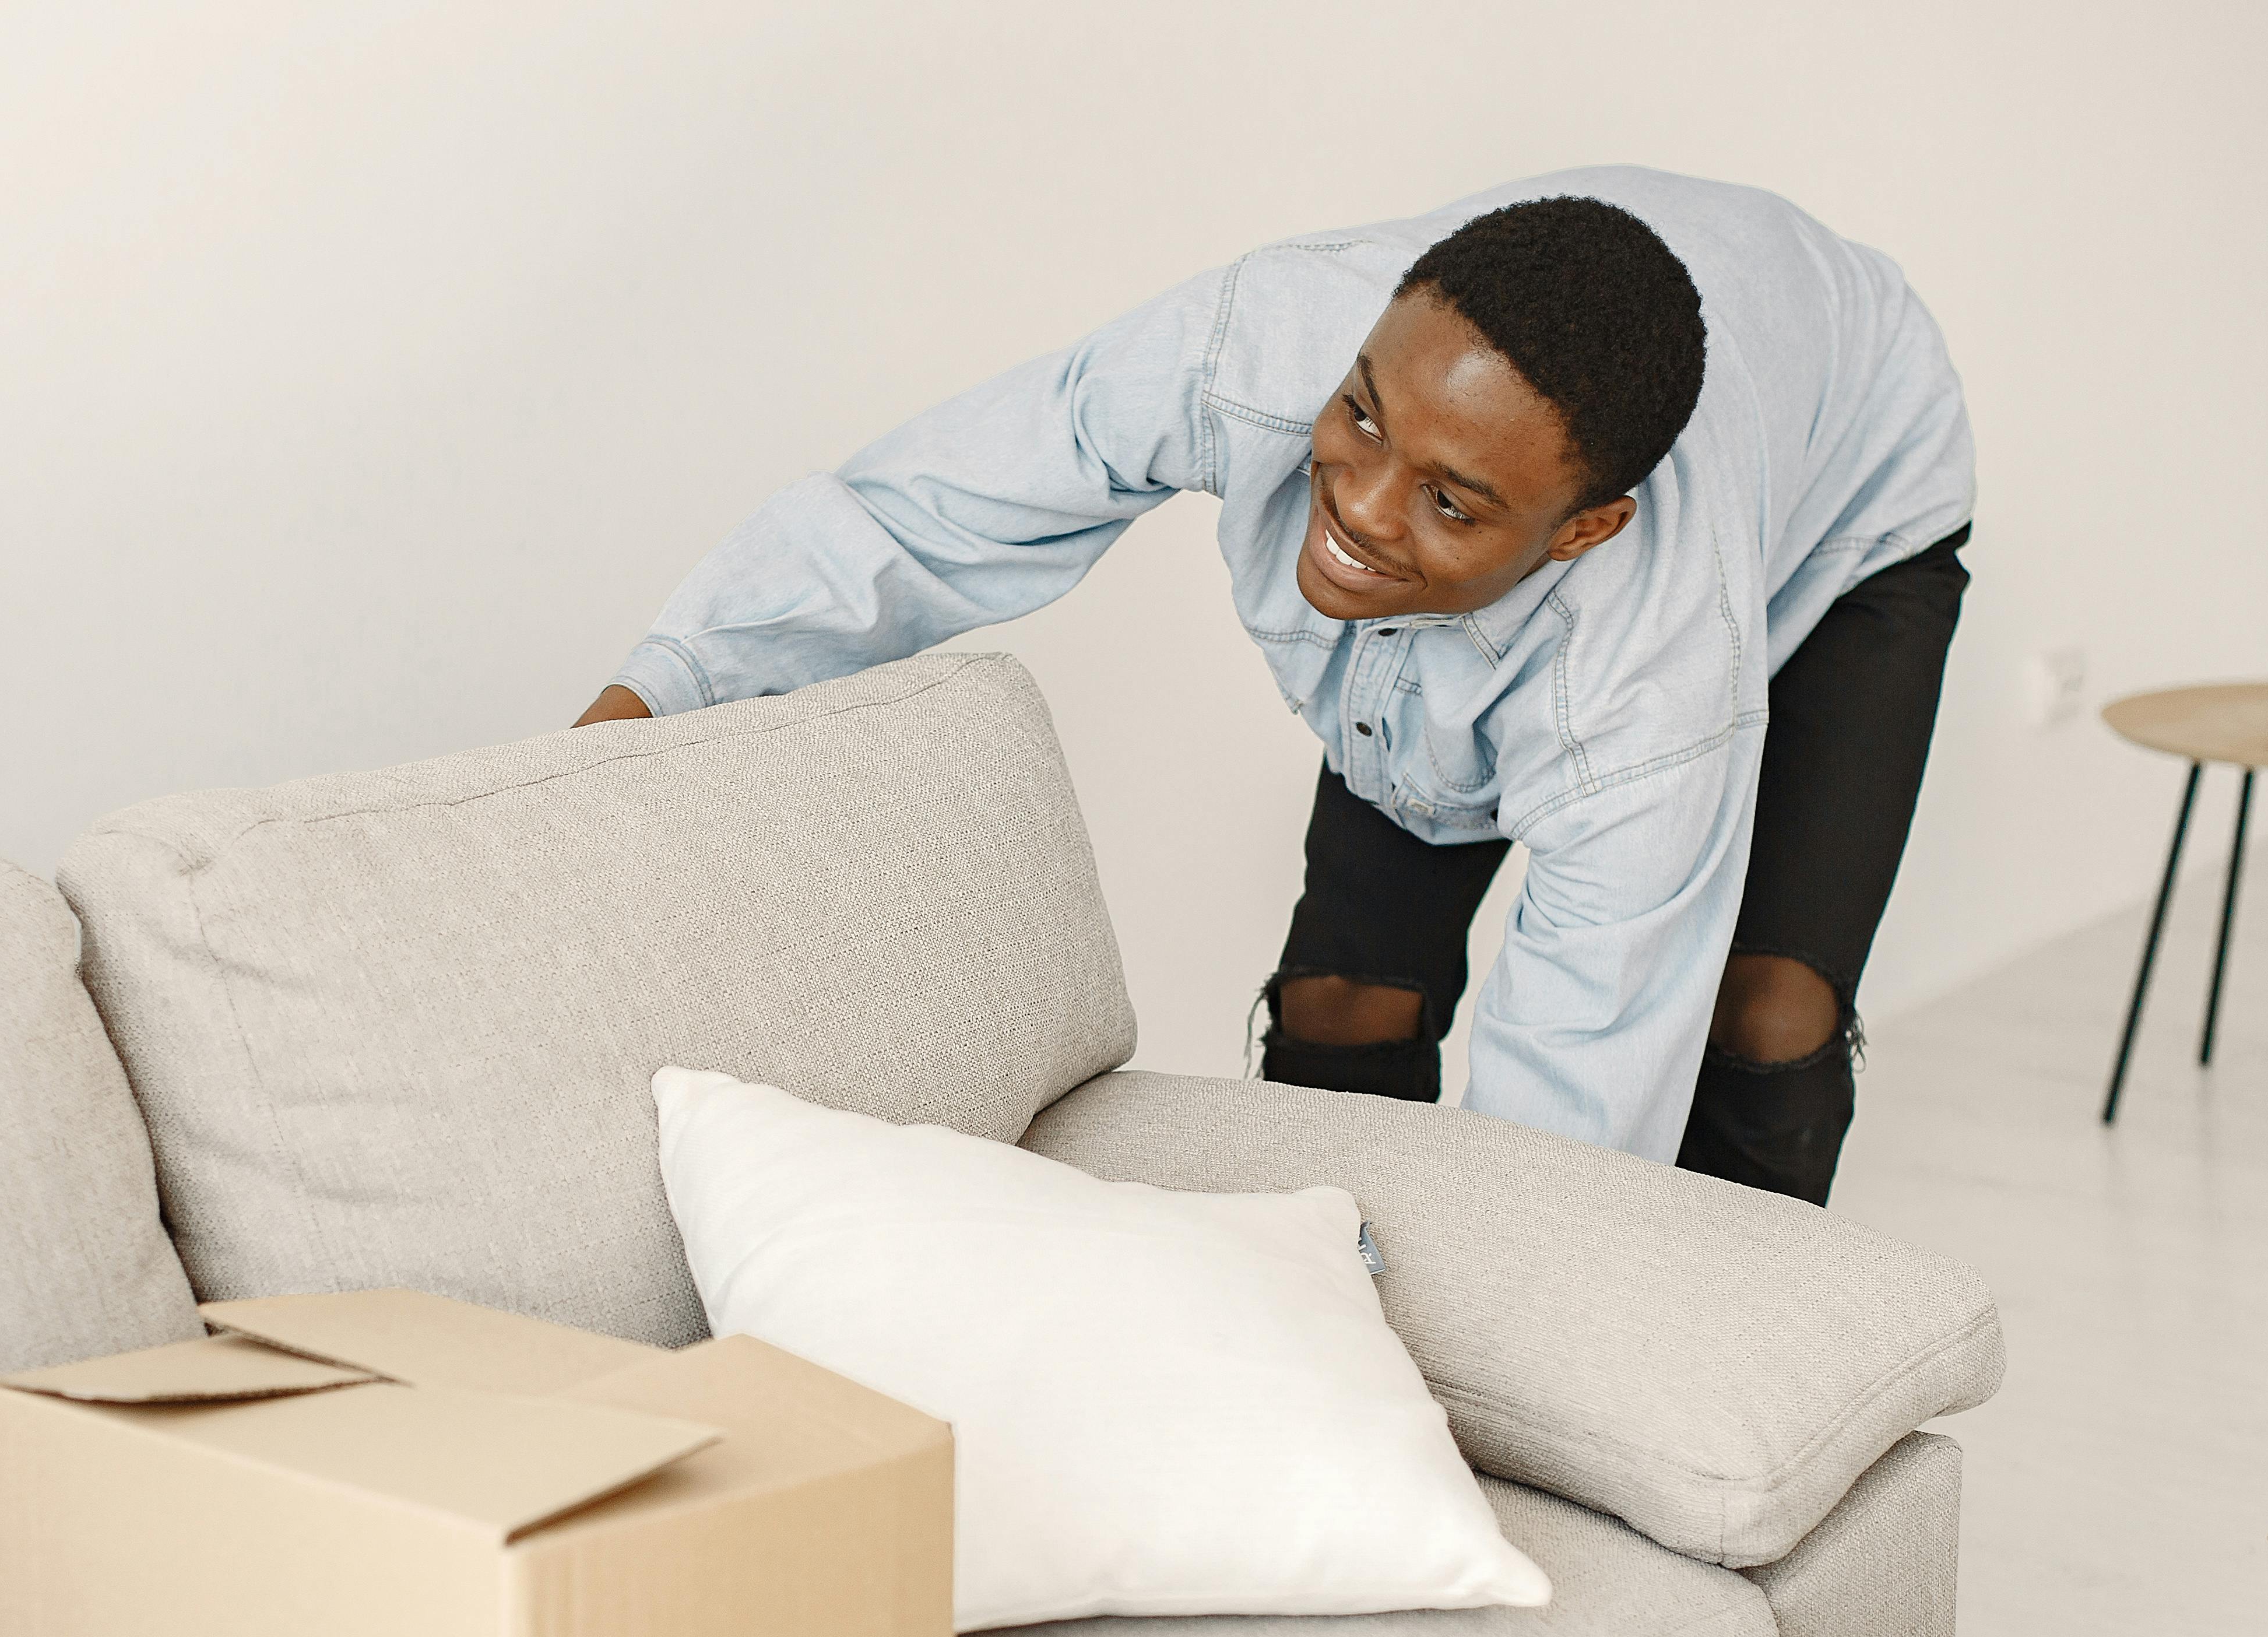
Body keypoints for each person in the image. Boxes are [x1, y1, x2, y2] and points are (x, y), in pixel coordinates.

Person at [572, 166, 1974, 1205]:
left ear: (1584, 528)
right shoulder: (1251, 344)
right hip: (1619, 445)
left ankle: (1742, 1363)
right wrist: (619, 736)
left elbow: (1569, 1116)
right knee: (1340, 1006)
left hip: (1856, 505)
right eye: (1360, 417)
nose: (1357, 510)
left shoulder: (1642, 687)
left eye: (1447, 499)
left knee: (1761, 1010)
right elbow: (911, 521)